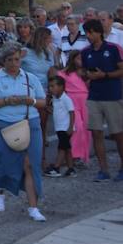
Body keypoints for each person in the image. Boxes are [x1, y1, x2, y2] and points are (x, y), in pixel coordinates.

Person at [0, 45, 47, 221]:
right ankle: (0, 188)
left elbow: (42, 101)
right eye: (9, 60)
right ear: (3, 61)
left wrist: (29, 101)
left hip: (29, 121)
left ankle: (33, 207)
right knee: (4, 160)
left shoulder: (30, 78)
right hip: (4, 123)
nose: (13, 63)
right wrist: (6, 101)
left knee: (31, 164)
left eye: (16, 59)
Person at [79, 17, 123, 181]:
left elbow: (122, 70)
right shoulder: (85, 52)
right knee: (96, 133)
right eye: (87, 33)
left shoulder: (113, 49)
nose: (88, 36)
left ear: (99, 32)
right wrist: (86, 75)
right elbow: (83, 73)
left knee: (118, 133)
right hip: (94, 96)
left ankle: (122, 167)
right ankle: (103, 169)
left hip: (113, 96)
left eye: (90, 32)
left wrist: (104, 75)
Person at [58, 50, 91, 169]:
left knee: (87, 128)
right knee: (77, 127)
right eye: (78, 59)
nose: (80, 61)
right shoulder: (64, 73)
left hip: (85, 100)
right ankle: (74, 155)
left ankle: (83, 156)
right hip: (72, 101)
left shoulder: (86, 72)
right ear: (72, 59)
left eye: (82, 59)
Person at [44, 76, 76, 178]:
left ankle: (57, 168)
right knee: (67, 148)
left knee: (61, 147)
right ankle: (71, 169)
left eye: (53, 86)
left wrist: (70, 127)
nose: (51, 89)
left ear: (61, 87)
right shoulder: (55, 99)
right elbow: (56, 111)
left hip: (65, 128)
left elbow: (71, 112)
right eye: (50, 86)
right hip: (59, 128)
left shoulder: (66, 99)